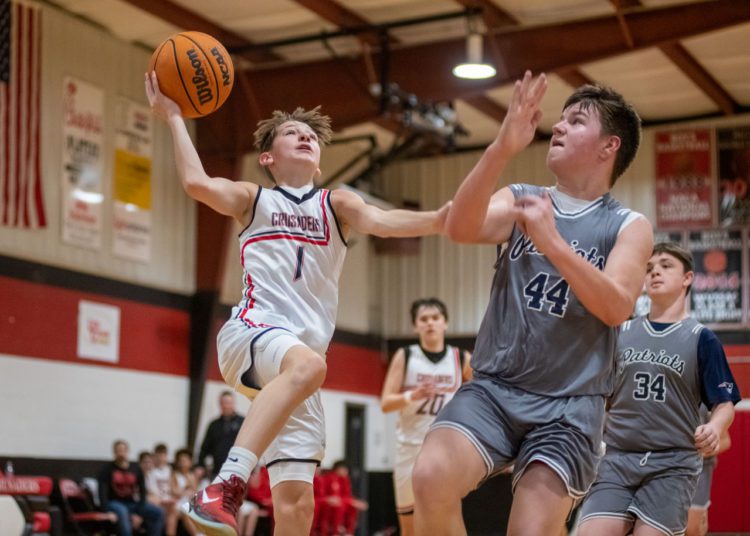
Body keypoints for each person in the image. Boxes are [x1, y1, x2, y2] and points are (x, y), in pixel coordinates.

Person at [145, 72, 448, 536]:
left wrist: (442, 219)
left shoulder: (336, 204)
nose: (305, 137)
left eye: (311, 135)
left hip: (299, 369)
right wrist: (172, 117)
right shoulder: (254, 199)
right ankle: (224, 485)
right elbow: (196, 182)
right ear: (267, 157)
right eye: (292, 133)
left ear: (320, 161)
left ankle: (230, 486)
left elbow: (385, 221)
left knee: (297, 504)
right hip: (252, 334)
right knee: (309, 366)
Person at [411, 72, 655, 536]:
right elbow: (460, 228)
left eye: (576, 121)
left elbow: (617, 307)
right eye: (560, 119)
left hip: (569, 408)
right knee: (429, 477)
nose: (558, 126)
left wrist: (552, 242)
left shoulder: (628, 224)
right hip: (494, 389)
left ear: (609, 147)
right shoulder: (524, 198)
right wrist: (500, 149)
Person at [577, 243, 741, 536]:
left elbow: (724, 403)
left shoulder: (702, 338)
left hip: (672, 463)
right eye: (650, 268)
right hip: (618, 459)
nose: (655, 272)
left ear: (687, 278)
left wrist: (715, 427)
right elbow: (600, 394)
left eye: (665, 266)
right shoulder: (621, 331)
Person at [380, 298, 471, 536]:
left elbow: (482, 396)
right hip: (409, 449)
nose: (430, 323)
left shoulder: (461, 358)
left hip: (446, 451)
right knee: (409, 528)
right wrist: (413, 395)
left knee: (449, 523)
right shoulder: (406, 356)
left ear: (445, 323)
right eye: (423, 319)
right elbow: (386, 403)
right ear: (415, 326)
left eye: (435, 318)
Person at [98, 439, 165, 536]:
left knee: (159, 512)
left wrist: (140, 512)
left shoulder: (136, 469)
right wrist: (106, 511)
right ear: (114, 452)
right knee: (123, 511)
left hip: (132, 503)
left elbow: (142, 491)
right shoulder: (107, 470)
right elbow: (102, 492)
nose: (121, 453)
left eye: (123, 450)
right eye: (118, 451)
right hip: (114, 503)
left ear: (127, 451)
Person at [686, 408, 732, 536]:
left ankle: (701, 518)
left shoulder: (706, 406)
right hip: (670, 469)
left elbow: (726, 441)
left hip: (700, 470)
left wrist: (702, 451)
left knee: (692, 529)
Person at [198, 391, 244, 479]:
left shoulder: (242, 422)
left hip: (238, 470)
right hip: (218, 470)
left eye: (229, 403)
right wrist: (200, 465)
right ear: (220, 404)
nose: (226, 406)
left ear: (233, 404)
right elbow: (205, 448)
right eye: (224, 403)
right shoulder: (214, 425)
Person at [147, 443, 178, 535]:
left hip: (167, 499)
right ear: (154, 456)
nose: (161, 458)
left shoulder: (169, 470)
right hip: (156, 499)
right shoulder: (150, 470)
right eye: (159, 455)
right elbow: (150, 490)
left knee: (174, 509)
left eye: (163, 455)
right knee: (168, 510)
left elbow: (173, 488)